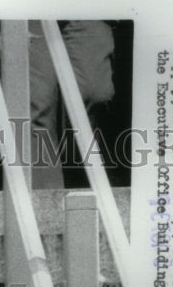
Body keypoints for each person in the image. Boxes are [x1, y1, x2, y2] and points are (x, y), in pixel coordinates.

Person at [29, 20, 116, 189]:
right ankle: (46, 200)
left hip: (86, 3)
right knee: (38, 106)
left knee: (94, 92)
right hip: (30, 10)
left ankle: (86, 186)